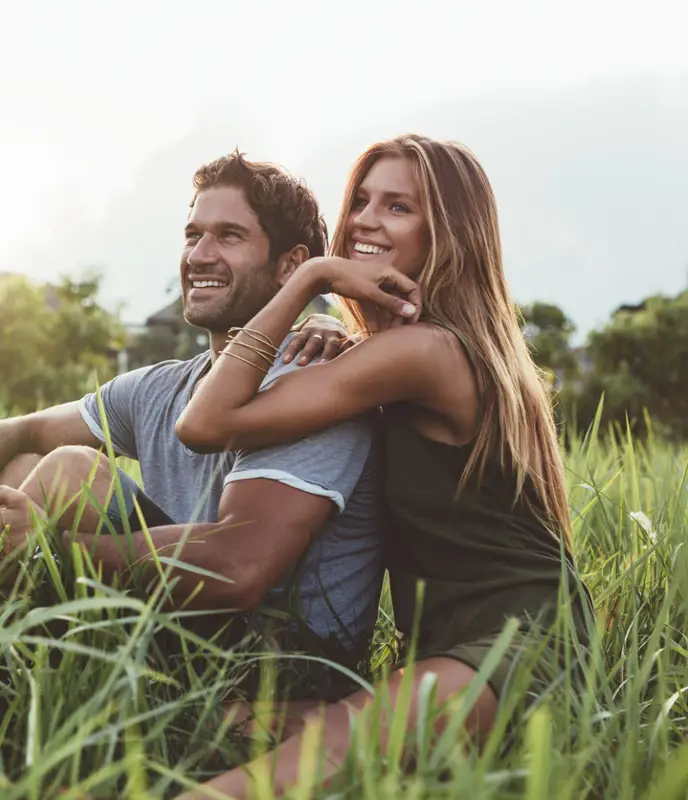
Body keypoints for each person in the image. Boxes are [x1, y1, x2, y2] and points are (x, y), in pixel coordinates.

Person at [175, 134, 595, 796]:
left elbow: (205, 422)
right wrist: (337, 334)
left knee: (240, 788)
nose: (367, 220)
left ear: (447, 233)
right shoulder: (407, 352)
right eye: (362, 200)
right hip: (449, 650)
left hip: (519, 647)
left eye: (398, 207)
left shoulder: (424, 353)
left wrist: (313, 277)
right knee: (227, 721)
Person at [0, 151, 386, 703]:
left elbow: (239, 568)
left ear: (289, 264)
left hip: (284, 665)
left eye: (228, 236)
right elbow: (14, 430)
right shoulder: (161, 386)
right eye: (192, 234)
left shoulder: (316, 381)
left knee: (66, 473)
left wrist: (48, 547)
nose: (199, 255)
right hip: (187, 634)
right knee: (21, 468)